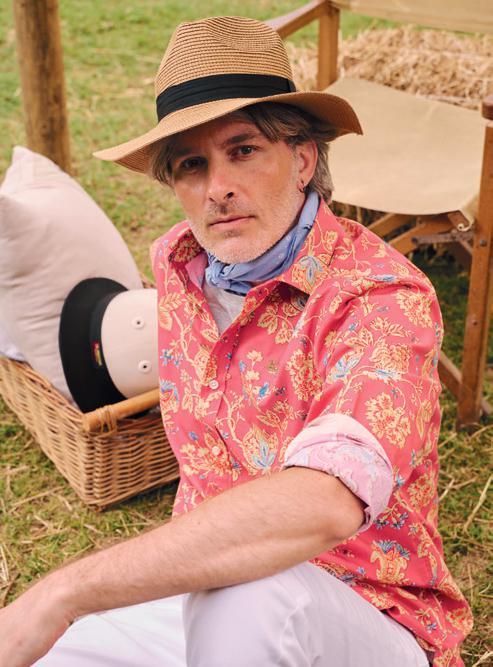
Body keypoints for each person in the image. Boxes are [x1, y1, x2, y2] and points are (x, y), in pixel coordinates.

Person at [0, 16, 472, 667]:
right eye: (191, 164)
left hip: (363, 613)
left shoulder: (379, 297)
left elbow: (326, 502)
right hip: (208, 589)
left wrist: (65, 590)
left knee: (248, 592)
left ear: (302, 159)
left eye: (243, 150)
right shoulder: (178, 262)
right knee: (51, 651)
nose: (217, 187)